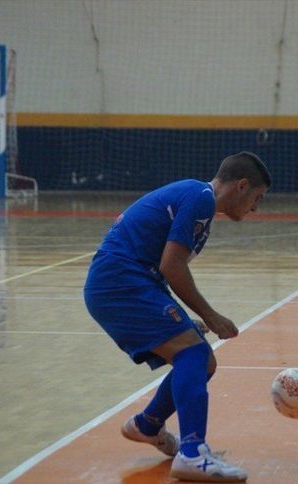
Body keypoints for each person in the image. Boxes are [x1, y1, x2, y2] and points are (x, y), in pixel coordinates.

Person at [84, 151, 271, 481]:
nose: (256, 207)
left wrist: (183, 320)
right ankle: (192, 454)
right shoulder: (200, 198)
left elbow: (160, 266)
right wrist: (210, 316)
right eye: (257, 198)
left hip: (127, 282)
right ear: (242, 186)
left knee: (203, 362)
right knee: (195, 353)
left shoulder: (200, 202)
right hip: (119, 281)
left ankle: (147, 425)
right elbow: (172, 267)